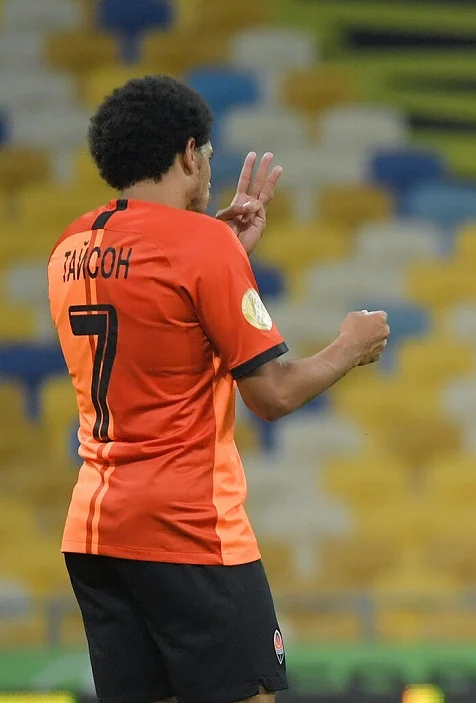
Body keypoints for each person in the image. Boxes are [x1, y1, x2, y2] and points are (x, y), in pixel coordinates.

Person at [50, 75, 391, 703]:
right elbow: (272, 394)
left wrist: (222, 250)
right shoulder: (200, 246)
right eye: (207, 154)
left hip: (96, 532)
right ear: (188, 154)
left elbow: (153, 316)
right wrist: (350, 345)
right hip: (188, 529)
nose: (209, 167)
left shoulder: (69, 248)